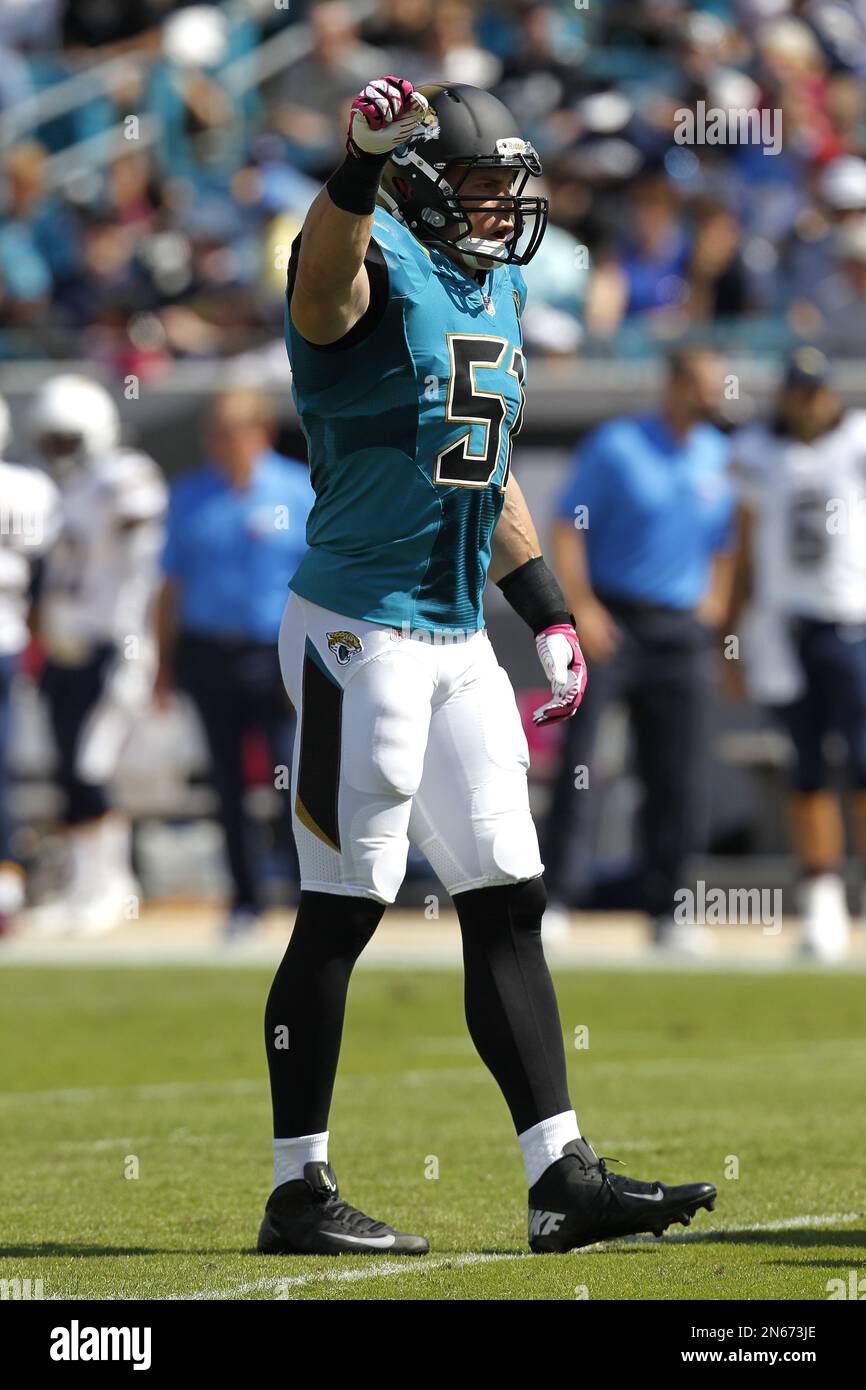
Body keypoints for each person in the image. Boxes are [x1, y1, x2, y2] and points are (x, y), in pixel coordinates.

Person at [258, 76, 716, 1258]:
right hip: (359, 629)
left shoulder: (495, 283)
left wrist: (546, 608)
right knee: (343, 907)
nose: (496, 211)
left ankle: (558, 1176)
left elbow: (489, 466)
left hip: (459, 633)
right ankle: (297, 1190)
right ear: (412, 188)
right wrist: (358, 159)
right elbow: (318, 283)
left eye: (507, 188)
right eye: (471, 186)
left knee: (508, 896)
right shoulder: (359, 263)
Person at [543, 349, 736, 951]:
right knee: (584, 763)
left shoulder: (718, 456)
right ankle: (557, 900)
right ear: (676, 385)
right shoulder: (617, 445)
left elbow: (727, 541)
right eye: (703, 386)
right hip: (614, 621)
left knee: (678, 771)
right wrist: (584, 608)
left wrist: (716, 604)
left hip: (681, 630)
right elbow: (566, 526)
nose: (712, 398)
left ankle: (670, 907)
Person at [156, 388, 314, 936]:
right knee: (224, 781)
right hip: (207, 652)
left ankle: (307, 895)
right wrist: (161, 664)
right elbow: (170, 584)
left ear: (259, 432)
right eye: (215, 433)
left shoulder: (296, 490)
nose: (222, 444)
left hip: (276, 655)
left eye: (232, 431)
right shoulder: (190, 494)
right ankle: (245, 899)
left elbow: (321, 578)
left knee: (290, 776)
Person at [728, 347, 866, 962]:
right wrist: (727, 636)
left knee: (863, 763)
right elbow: (745, 550)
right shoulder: (759, 453)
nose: (809, 401)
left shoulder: (858, 442)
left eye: (817, 390)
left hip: (854, 622)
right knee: (806, 764)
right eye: (798, 390)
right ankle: (824, 899)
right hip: (785, 628)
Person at [24, 375, 167, 937]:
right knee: (69, 769)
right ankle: (86, 886)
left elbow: (142, 556)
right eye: (51, 441)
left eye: (67, 440)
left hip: (114, 644)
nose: (59, 452)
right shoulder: (68, 488)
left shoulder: (122, 477)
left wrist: (137, 643)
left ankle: (112, 887)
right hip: (66, 649)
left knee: (92, 765)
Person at [0, 394, 61, 933]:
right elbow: (42, 577)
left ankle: (8, 882)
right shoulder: (28, 488)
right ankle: (8, 882)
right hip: (11, 639)